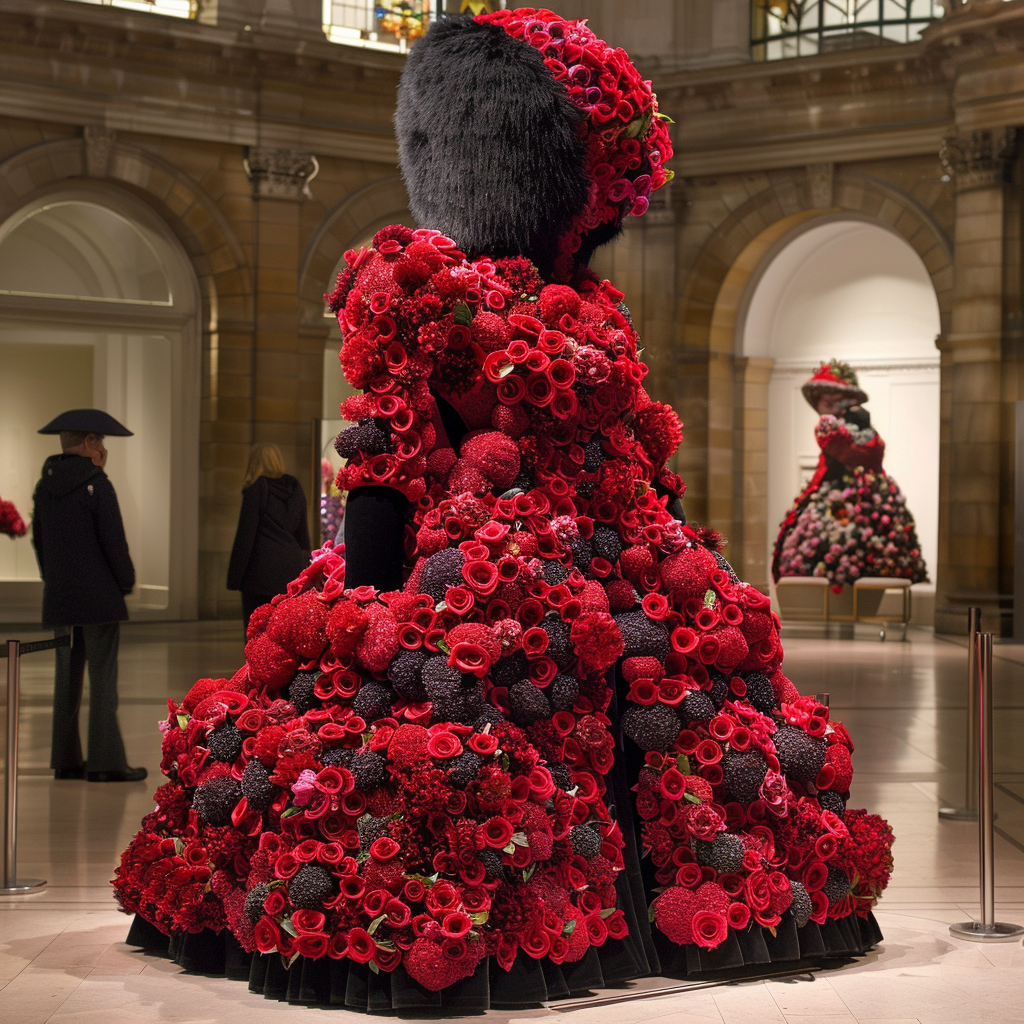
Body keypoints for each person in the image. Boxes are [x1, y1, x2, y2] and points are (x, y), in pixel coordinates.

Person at [116, 12, 893, 1011]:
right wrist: (369, 600)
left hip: (605, 568)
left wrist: (667, 536)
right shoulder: (421, 290)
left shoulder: (579, 307)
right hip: (488, 574)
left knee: (656, 742)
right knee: (467, 751)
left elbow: (625, 451)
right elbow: (390, 454)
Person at [32, 409, 146, 783]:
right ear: (89, 444)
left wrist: (53, 579)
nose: (104, 450)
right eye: (101, 442)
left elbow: (40, 543)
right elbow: (113, 541)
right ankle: (105, 762)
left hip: (61, 596)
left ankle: (65, 760)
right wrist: (125, 581)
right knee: (102, 680)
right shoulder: (98, 483)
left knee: (66, 680)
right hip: (99, 598)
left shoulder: (44, 485)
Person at [773, 360, 929, 587]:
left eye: (832, 398)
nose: (825, 404)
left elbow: (865, 451)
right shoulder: (835, 428)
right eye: (825, 398)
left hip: (854, 496)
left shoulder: (852, 428)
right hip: (840, 494)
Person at [226, 443, 311, 633]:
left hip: (260, 568)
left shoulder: (256, 487)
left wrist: (235, 577)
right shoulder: (295, 487)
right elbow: (303, 531)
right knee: (284, 627)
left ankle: (258, 662)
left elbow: (246, 534)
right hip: (291, 564)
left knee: (257, 628)